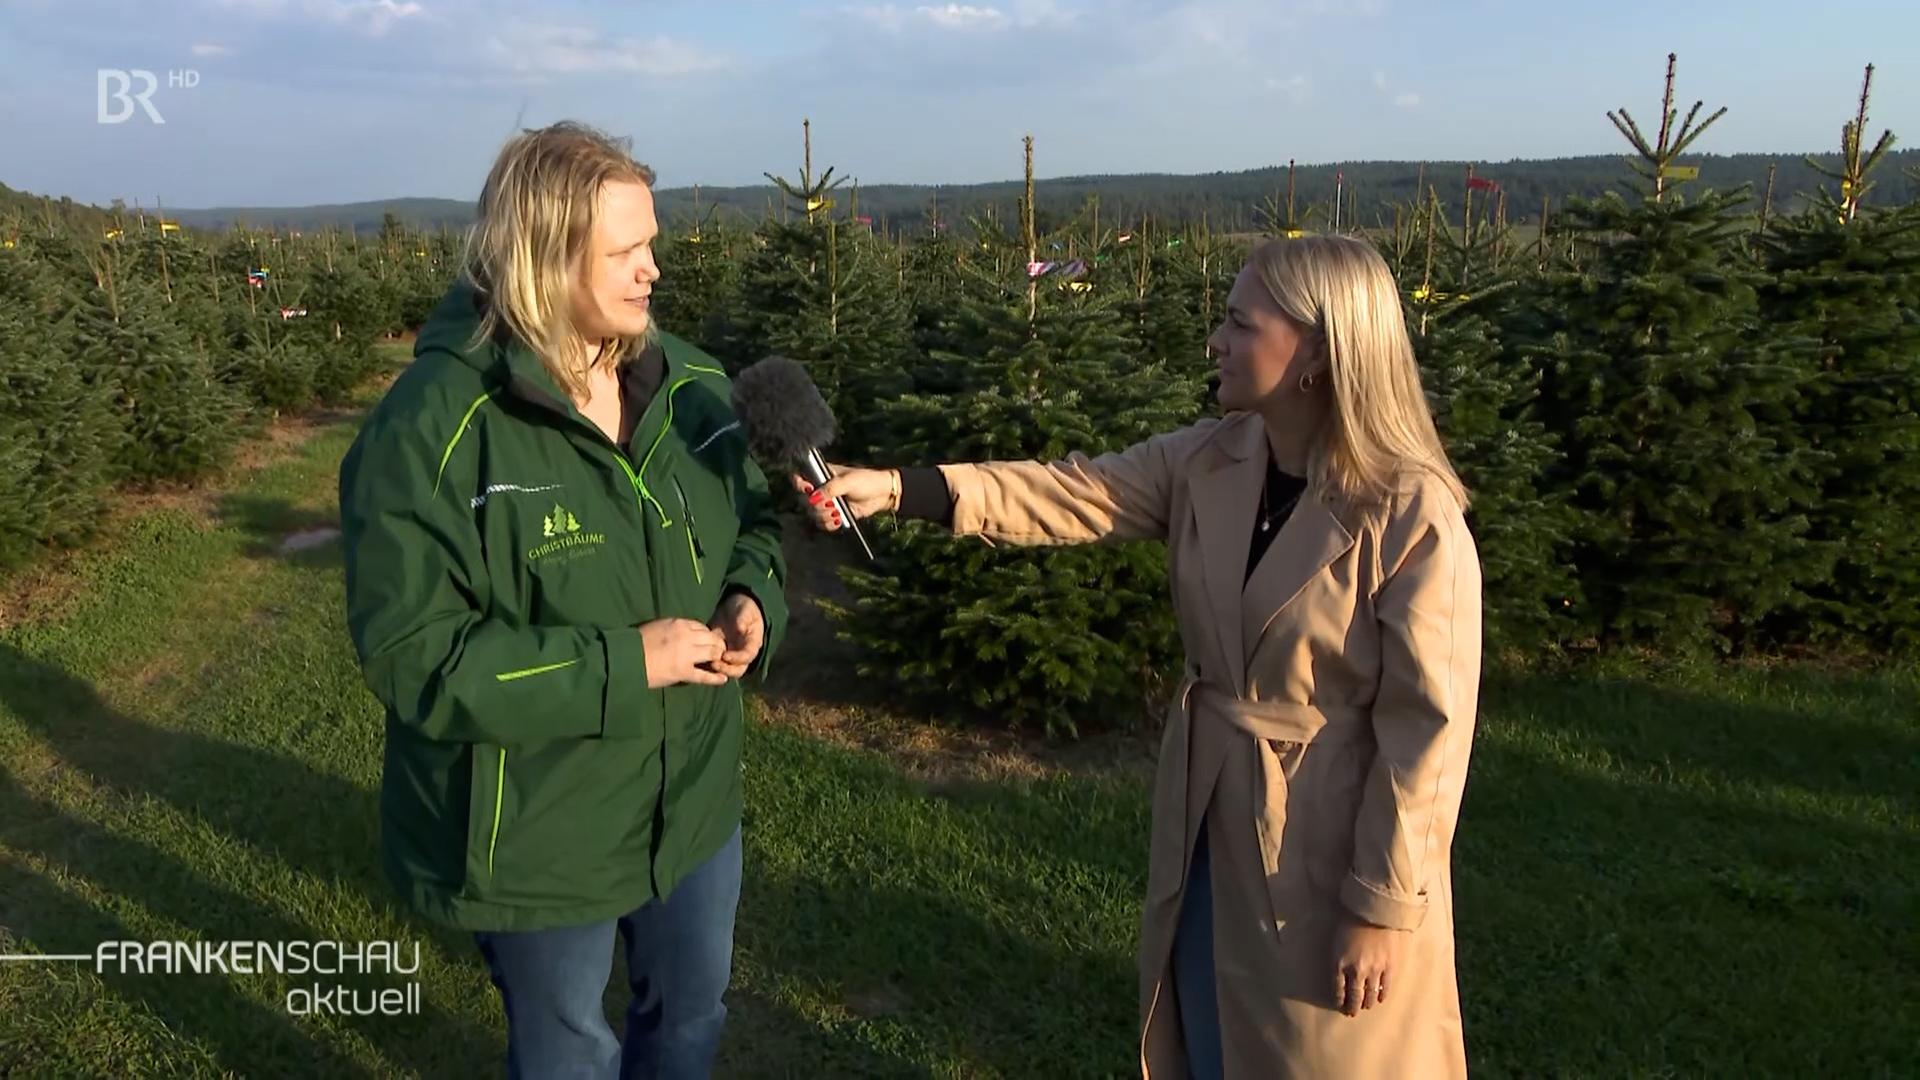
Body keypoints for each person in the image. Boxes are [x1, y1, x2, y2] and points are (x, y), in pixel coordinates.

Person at [801, 235, 1481, 1078]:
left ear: (1315, 349)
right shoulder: (1212, 458)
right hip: (1208, 825)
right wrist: (903, 488)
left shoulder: (1410, 512)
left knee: (1323, 1056)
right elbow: (1071, 490)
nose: (1216, 341)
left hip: (1329, 847)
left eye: (1238, 323)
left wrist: (1382, 906)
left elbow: (1427, 734)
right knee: (1207, 1035)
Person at [338, 121, 788, 1080]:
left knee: (693, 1017)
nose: (653, 271)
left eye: (652, 243)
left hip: (694, 804)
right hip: (538, 833)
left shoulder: (693, 389)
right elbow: (417, 655)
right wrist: (633, 662)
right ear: (543, 259)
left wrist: (753, 596)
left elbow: (754, 524)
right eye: (624, 252)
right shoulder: (434, 432)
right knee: (567, 1052)